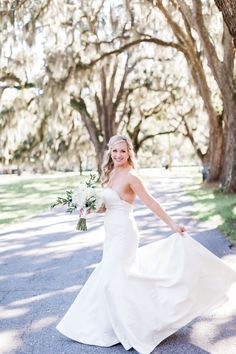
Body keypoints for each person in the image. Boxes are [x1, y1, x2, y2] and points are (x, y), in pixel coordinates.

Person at [56, 135, 236, 354]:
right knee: (115, 278)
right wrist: (87, 207)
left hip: (125, 233)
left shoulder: (132, 176)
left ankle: (133, 328)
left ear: (129, 152)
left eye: (122, 151)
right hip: (111, 232)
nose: (118, 155)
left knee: (114, 277)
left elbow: (151, 202)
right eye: (114, 151)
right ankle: (113, 325)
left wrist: (173, 225)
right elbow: (107, 206)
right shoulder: (110, 173)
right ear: (109, 151)